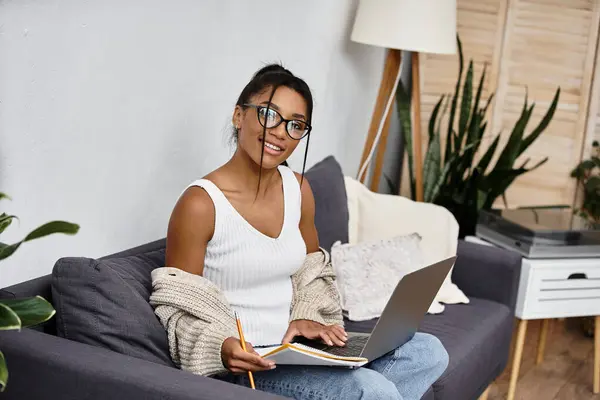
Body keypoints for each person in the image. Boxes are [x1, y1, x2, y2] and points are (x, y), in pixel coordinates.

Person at [162, 63, 449, 400]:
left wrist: (306, 318)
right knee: (371, 390)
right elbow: (179, 306)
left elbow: (312, 272)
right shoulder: (200, 204)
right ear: (239, 116)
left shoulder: (298, 189)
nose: (281, 132)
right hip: (248, 369)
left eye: (295, 125)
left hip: (298, 351)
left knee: (428, 351)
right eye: (269, 114)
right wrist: (223, 347)